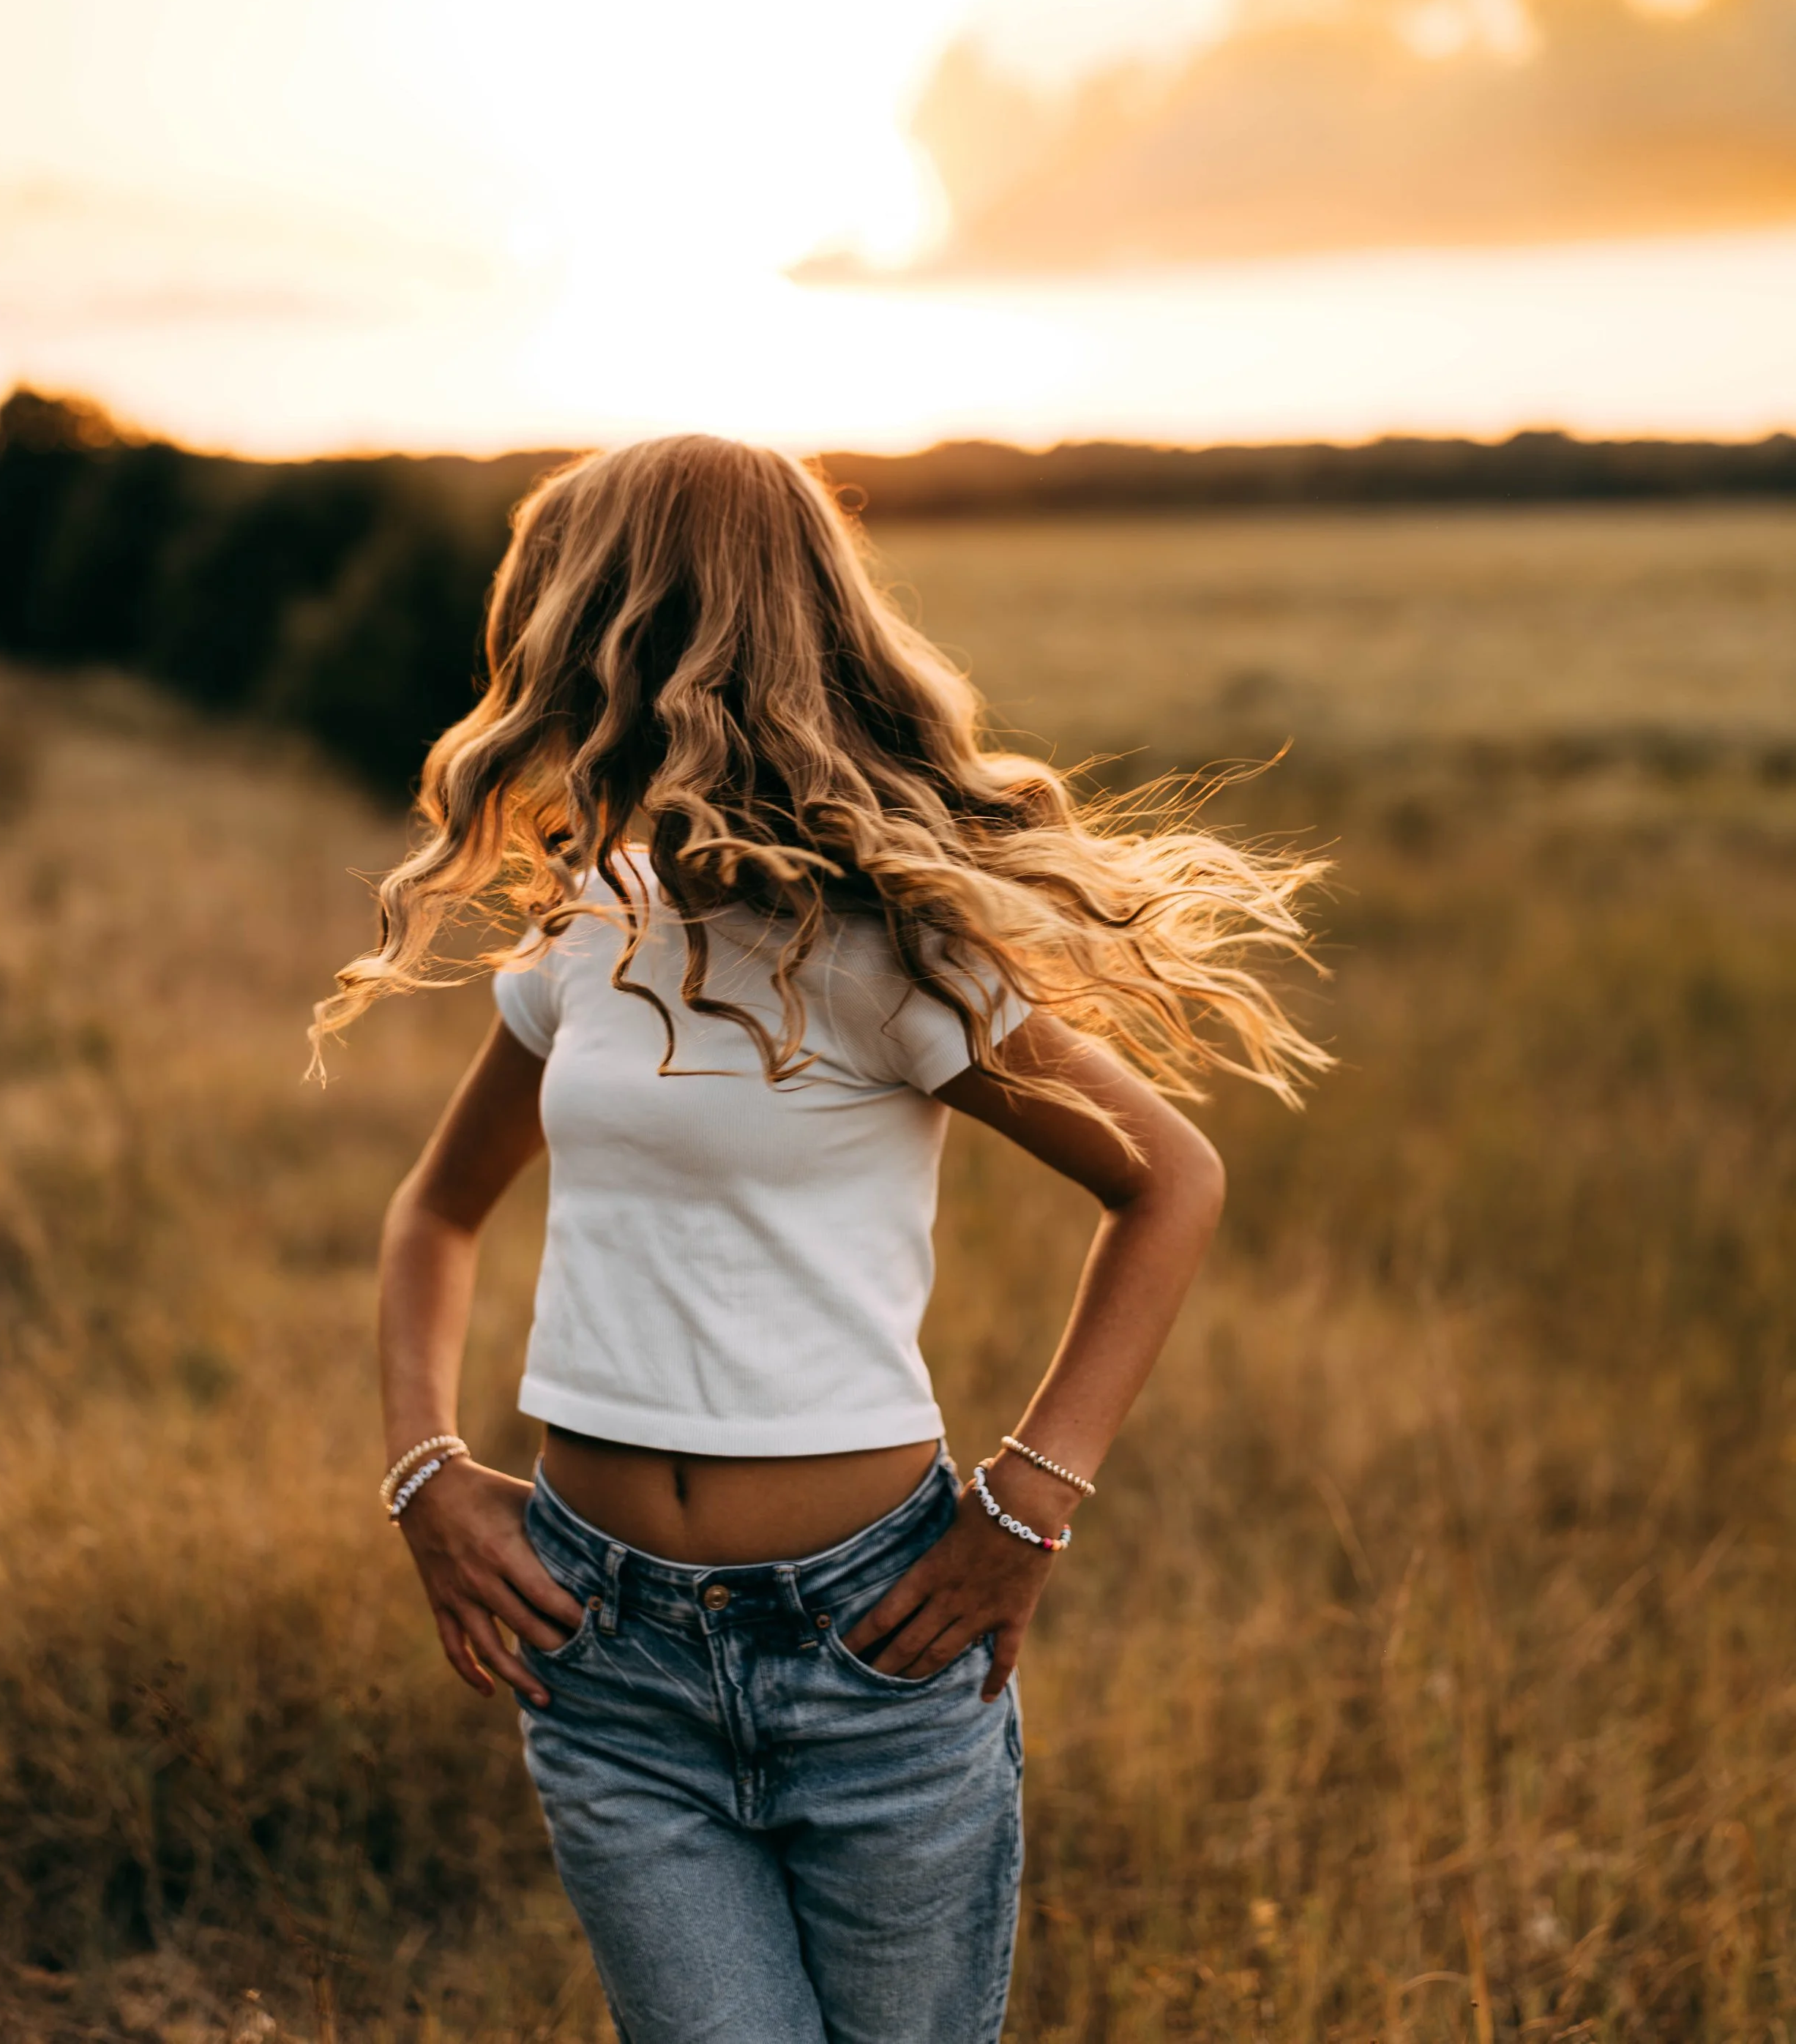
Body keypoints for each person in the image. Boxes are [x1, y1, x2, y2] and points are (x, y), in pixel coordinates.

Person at [316, 434, 1325, 2044]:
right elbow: (437, 1210)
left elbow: (1169, 1178)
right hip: (605, 1659)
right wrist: (422, 1472)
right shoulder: (592, 925)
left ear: (638, 633)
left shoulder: (885, 950)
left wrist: (1032, 1503)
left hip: (871, 1648)